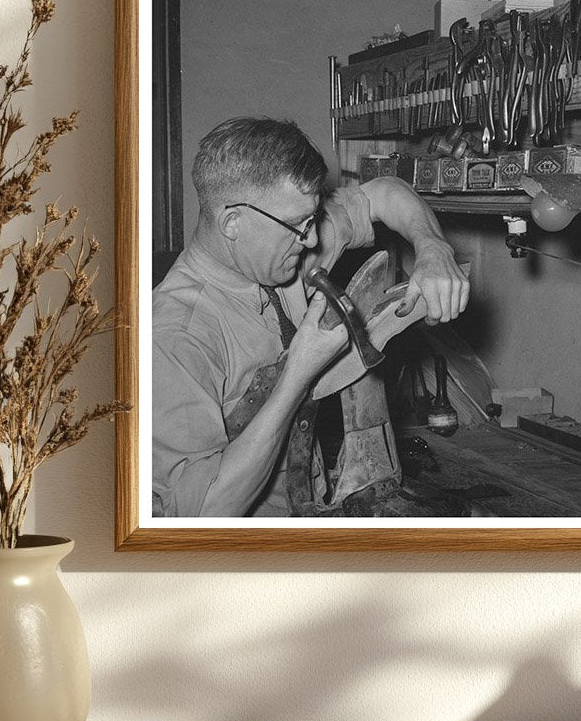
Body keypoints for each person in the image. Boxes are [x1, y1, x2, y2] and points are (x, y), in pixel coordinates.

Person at [152, 116, 469, 519]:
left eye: (312, 220)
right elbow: (202, 514)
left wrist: (433, 248)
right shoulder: (175, 335)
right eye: (298, 226)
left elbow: (385, 194)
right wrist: (297, 376)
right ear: (233, 222)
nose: (313, 240)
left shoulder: (280, 252)